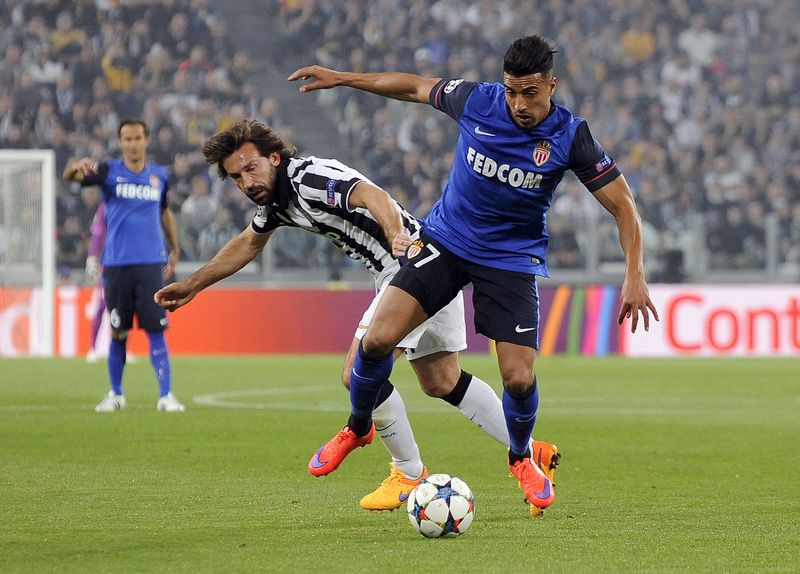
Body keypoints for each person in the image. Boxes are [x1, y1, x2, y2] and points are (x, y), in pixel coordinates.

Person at [289, 34, 659, 515]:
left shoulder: (571, 135)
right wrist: (344, 78)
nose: (519, 104)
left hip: (510, 260)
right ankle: (359, 426)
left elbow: (623, 206)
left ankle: (522, 457)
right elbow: (412, 87)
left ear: (552, 84)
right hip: (445, 242)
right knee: (376, 341)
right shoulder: (478, 100)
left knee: (519, 379)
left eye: (530, 93)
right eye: (512, 91)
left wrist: (635, 272)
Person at [153, 119, 561, 511]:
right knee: (442, 380)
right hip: (430, 259)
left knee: (357, 372)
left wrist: (394, 232)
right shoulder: (277, 201)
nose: (247, 182)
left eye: (251, 168)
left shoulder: (309, 179)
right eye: (237, 178)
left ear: (274, 157)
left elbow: (370, 195)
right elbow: (247, 243)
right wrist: (193, 285)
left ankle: (408, 473)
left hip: (408, 267)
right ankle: (529, 449)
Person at [63, 119, 183, 412]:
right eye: (127, 138)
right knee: (118, 331)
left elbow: (165, 213)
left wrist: (176, 249)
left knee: (157, 329)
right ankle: (116, 394)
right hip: (116, 265)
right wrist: (74, 167)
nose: (132, 143)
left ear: (146, 140)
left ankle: (166, 396)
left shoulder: (159, 176)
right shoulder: (107, 171)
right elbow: (71, 178)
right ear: (120, 142)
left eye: (137, 138)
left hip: (151, 263)